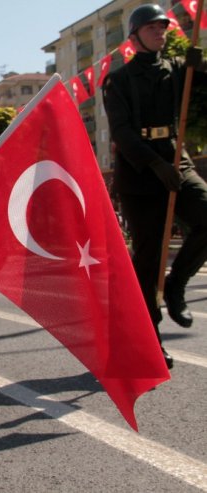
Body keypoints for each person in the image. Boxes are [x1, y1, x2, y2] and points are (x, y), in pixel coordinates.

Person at [102, 4, 207, 370]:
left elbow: (202, 96)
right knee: (147, 261)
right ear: (134, 36)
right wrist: (154, 164)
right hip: (139, 171)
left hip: (176, 157)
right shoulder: (118, 80)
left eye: (162, 26)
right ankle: (151, 341)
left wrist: (202, 66)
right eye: (151, 27)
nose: (160, 31)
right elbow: (122, 132)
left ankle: (176, 285)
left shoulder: (178, 69)